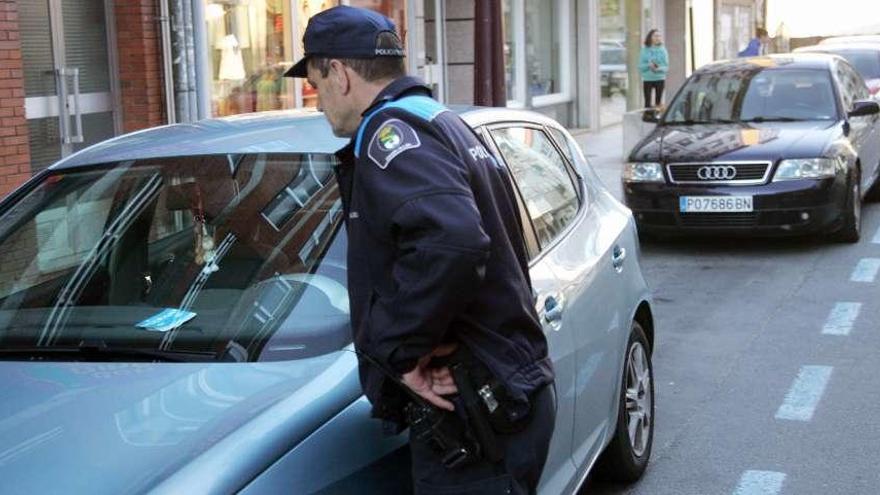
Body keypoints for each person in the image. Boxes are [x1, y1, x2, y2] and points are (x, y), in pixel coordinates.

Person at [284, 6, 556, 495]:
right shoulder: (441, 121)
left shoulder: (390, 135)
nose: (315, 98)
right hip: (503, 394)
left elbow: (453, 240)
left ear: (340, 74)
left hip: (475, 409)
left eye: (314, 80)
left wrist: (401, 349)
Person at [639, 29, 669, 109]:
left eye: (659, 36)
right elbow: (640, 66)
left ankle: (657, 119)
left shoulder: (663, 50)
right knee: (647, 103)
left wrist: (658, 69)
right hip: (647, 79)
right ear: (650, 37)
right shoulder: (644, 50)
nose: (658, 38)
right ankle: (647, 118)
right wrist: (649, 65)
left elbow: (666, 67)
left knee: (658, 103)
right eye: (655, 36)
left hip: (660, 78)